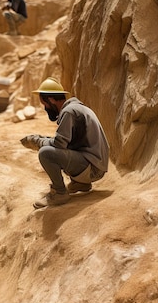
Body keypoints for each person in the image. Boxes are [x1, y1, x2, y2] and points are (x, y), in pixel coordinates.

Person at [20, 78, 109, 209]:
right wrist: (43, 139)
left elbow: (59, 144)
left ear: (50, 99)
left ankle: (59, 193)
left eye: (45, 104)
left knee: (45, 153)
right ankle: (81, 184)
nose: (45, 108)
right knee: (53, 149)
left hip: (93, 169)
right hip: (95, 164)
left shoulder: (69, 112)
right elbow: (66, 141)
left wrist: (37, 141)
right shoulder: (77, 109)